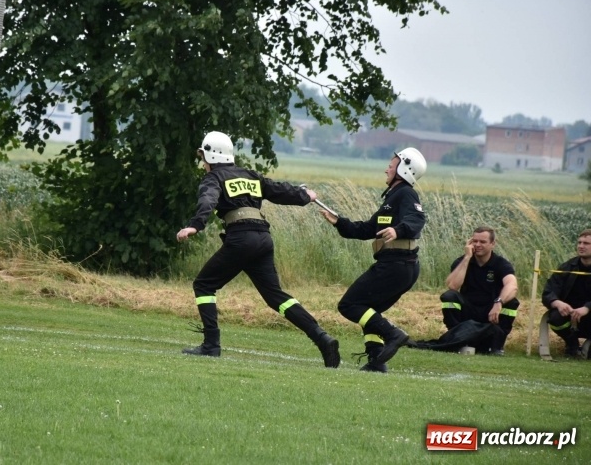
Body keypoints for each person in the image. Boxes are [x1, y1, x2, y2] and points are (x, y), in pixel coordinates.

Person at [176, 131, 340, 368]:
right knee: (276, 297)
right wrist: (305, 195)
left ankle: (211, 345)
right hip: (263, 239)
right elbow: (279, 190)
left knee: (203, 285)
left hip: (241, 238)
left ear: (210, 155)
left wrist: (195, 225)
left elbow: (208, 200)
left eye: (203, 157)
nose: (203, 163)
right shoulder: (250, 175)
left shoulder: (214, 178)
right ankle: (321, 337)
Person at [318, 148, 426, 373]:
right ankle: (377, 361)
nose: (386, 168)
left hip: (397, 264)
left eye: (391, 164)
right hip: (398, 265)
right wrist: (339, 222)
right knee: (368, 310)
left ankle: (393, 335)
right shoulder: (392, 197)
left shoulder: (406, 194)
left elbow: (416, 218)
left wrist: (398, 230)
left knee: (349, 305)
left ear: (404, 168)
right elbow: (368, 229)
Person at [441, 226, 519, 355]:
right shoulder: (462, 261)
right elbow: (453, 286)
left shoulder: (501, 264)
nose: (477, 245)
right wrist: (467, 258)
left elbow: (512, 285)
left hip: (492, 312)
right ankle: (458, 340)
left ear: (492, 244)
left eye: (482, 242)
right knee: (449, 297)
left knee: (511, 301)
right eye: (474, 241)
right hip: (468, 311)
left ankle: (496, 345)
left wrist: (498, 302)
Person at [541, 228, 591, 358]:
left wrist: (587, 308)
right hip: (571, 316)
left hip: (589, 315)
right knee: (555, 317)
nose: (581, 246)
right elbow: (548, 291)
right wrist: (557, 303)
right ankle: (572, 345)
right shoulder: (567, 267)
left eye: (586, 243)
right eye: (579, 242)